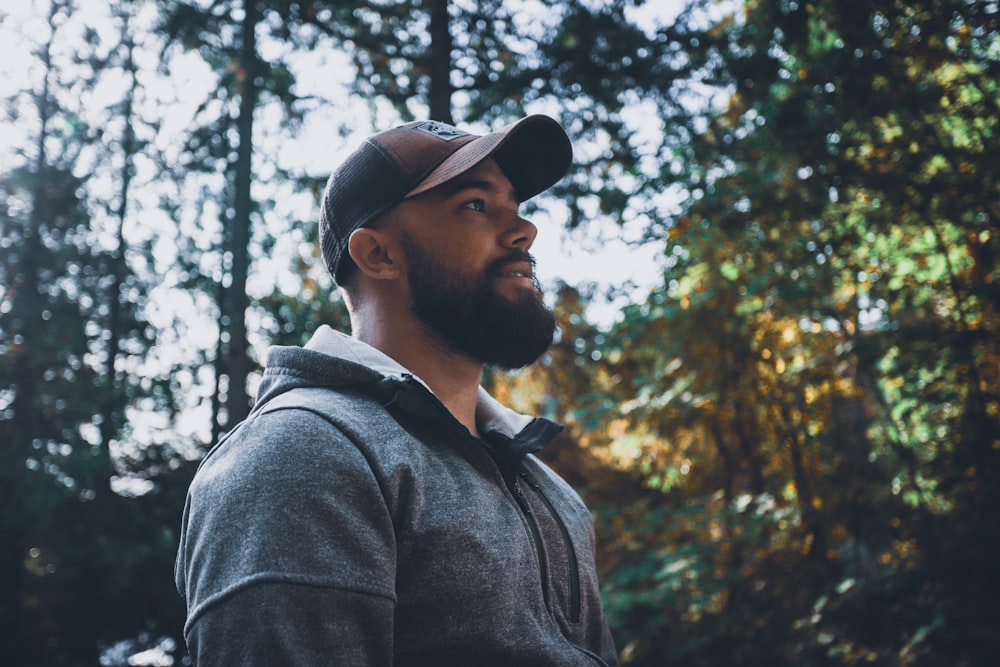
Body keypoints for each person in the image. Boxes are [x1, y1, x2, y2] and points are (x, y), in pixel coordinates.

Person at [174, 114, 619, 666]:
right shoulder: (302, 454)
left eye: (516, 207)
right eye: (476, 205)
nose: (524, 231)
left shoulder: (550, 488)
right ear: (378, 255)